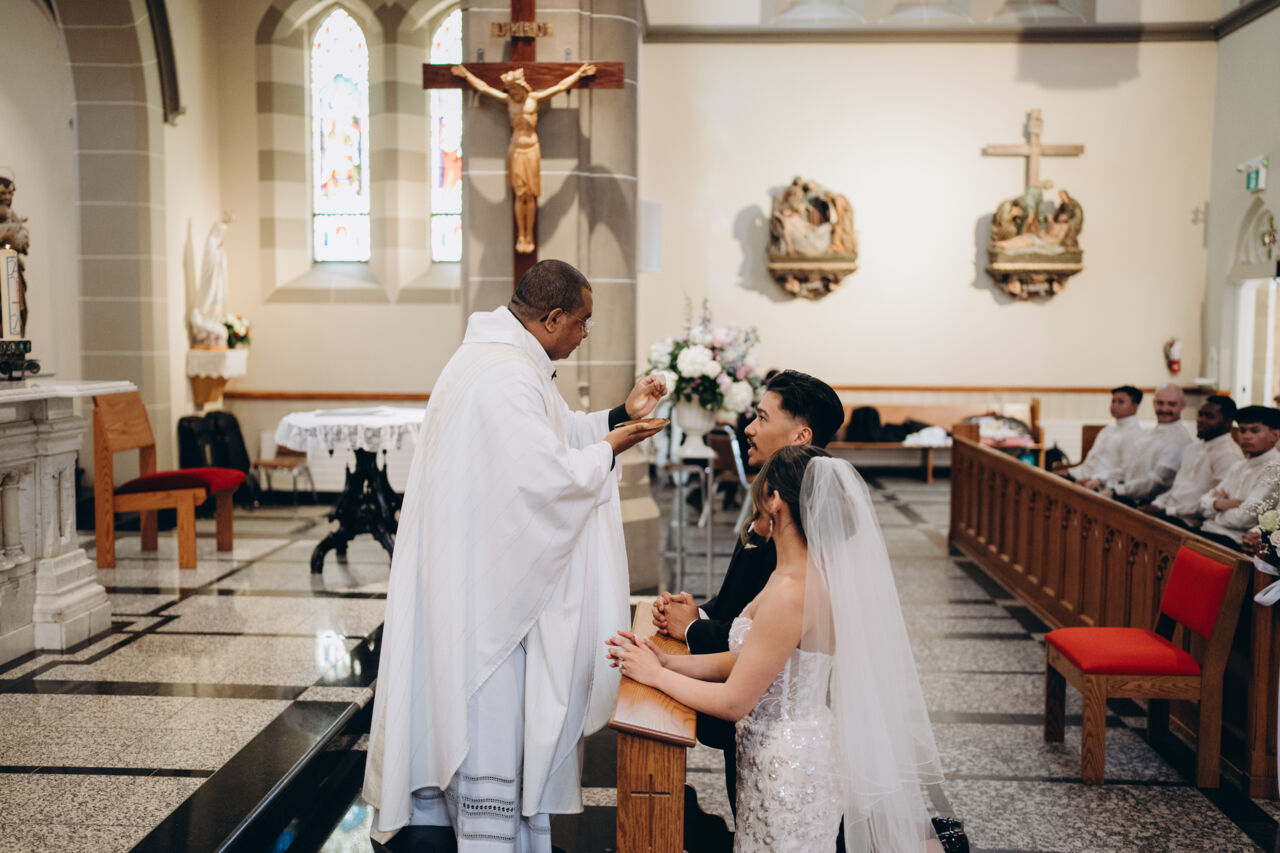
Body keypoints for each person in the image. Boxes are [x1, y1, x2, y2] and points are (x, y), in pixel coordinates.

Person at [363, 260, 667, 851]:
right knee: (488, 709)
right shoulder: (504, 373)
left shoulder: (507, 362)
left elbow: (552, 435)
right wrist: (609, 450)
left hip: (477, 569)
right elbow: (542, 478)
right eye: (582, 321)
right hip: (487, 592)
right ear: (552, 318)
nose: (585, 333)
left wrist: (618, 418)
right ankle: (489, 836)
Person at [609, 446, 943, 852]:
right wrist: (666, 662)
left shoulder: (791, 591)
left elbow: (734, 701)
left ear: (776, 500)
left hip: (789, 764)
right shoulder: (791, 574)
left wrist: (655, 676)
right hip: (777, 753)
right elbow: (747, 659)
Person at [650, 369, 844, 817]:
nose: (749, 429)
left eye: (761, 417)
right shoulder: (770, 515)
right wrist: (697, 613)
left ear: (800, 435)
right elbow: (740, 607)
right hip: (753, 729)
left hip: (776, 729)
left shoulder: (801, 541)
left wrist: (691, 631)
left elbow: (767, 641)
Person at [451, 63, 596, 255]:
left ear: (522, 87)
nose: (512, 93)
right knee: (520, 195)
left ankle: (530, 235)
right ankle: (522, 235)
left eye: (514, 89)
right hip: (516, 149)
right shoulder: (509, 101)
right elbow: (484, 88)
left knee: (530, 194)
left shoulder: (534, 99)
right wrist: (466, 75)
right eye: (510, 90)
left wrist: (578, 74)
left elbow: (560, 87)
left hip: (532, 149)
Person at [1140, 395, 1242, 527]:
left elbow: (1213, 504)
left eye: (1209, 417)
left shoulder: (1228, 455)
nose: (1201, 420)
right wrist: (1157, 503)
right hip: (1169, 513)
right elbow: (1177, 489)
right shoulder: (1193, 447)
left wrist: (1167, 511)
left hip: (1191, 523)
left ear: (1228, 422)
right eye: (1200, 415)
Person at [1198, 405, 1280, 548]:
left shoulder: (1274, 469)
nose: (1246, 436)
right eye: (1242, 430)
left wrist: (1216, 509)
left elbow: (1244, 518)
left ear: (1274, 435)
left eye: (1254, 430)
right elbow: (1201, 504)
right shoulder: (1238, 466)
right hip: (1209, 532)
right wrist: (1217, 504)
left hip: (1232, 542)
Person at [1096, 384, 1192, 504]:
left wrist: (1116, 491)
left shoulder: (1179, 440)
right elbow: (1129, 467)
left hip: (1147, 504)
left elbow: (1157, 482)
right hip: (1126, 494)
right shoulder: (1149, 433)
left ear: (1182, 405)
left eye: (1171, 404)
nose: (1164, 409)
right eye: (1160, 403)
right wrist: (1101, 480)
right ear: (1154, 403)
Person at [1055, 385, 1145, 488]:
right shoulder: (1106, 430)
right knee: (1049, 478)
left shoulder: (1136, 434)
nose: (1114, 405)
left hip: (1103, 485)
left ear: (1135, 407)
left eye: (1120, 402)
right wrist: (1070, 472)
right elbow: (1089, 465)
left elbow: (1126, 470)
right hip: (1084, 478)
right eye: (1113, 401)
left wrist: (1097, 479)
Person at [0, 172, 30, 336]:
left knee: (18, 311)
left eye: (10, 192)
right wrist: (10, 232)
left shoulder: (11, 214)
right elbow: (11, 235)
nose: (7, 197)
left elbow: (23, 239)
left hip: (12, 270)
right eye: (3, 193)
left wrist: (14, 234)